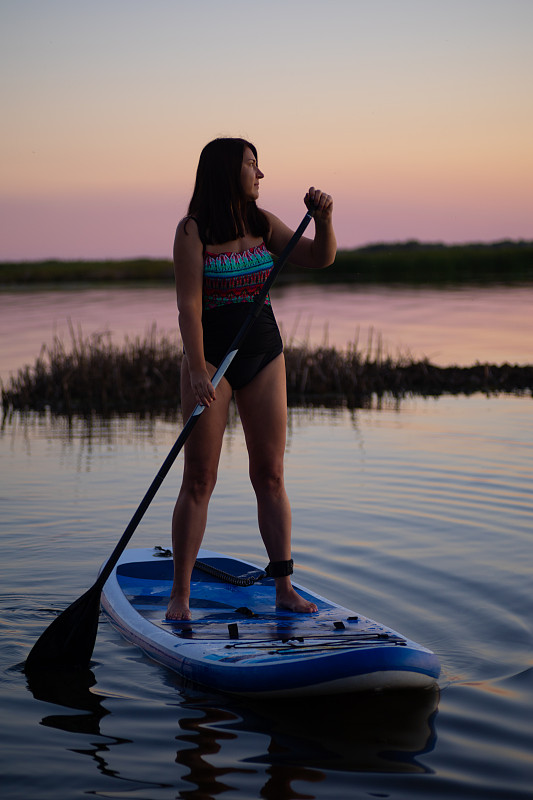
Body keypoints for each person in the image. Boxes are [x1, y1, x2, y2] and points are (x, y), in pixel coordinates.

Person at [166, 137, 336, 620]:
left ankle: (284, 586)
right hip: (210, 359)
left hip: (263, 352)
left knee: (270, 474)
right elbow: (188, 306)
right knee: (199, 478)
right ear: (226, 172)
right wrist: (197, 367)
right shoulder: (191, 231)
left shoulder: (262, 223)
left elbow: (319, 258)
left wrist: (324, 221)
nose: (259, 174)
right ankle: (181, 595)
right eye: (251, 164)